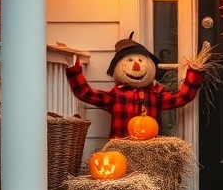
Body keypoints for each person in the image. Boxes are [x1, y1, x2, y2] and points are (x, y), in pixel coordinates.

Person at [65, 33, 212, 139]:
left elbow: (182, 97)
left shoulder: (155, 95)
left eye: (141, 61)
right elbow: (86, 93)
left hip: (149, 150)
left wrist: (194, 74)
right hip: (120, 150)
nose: (136, 66)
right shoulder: (116, 96)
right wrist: (74, 72)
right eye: (129, 61)